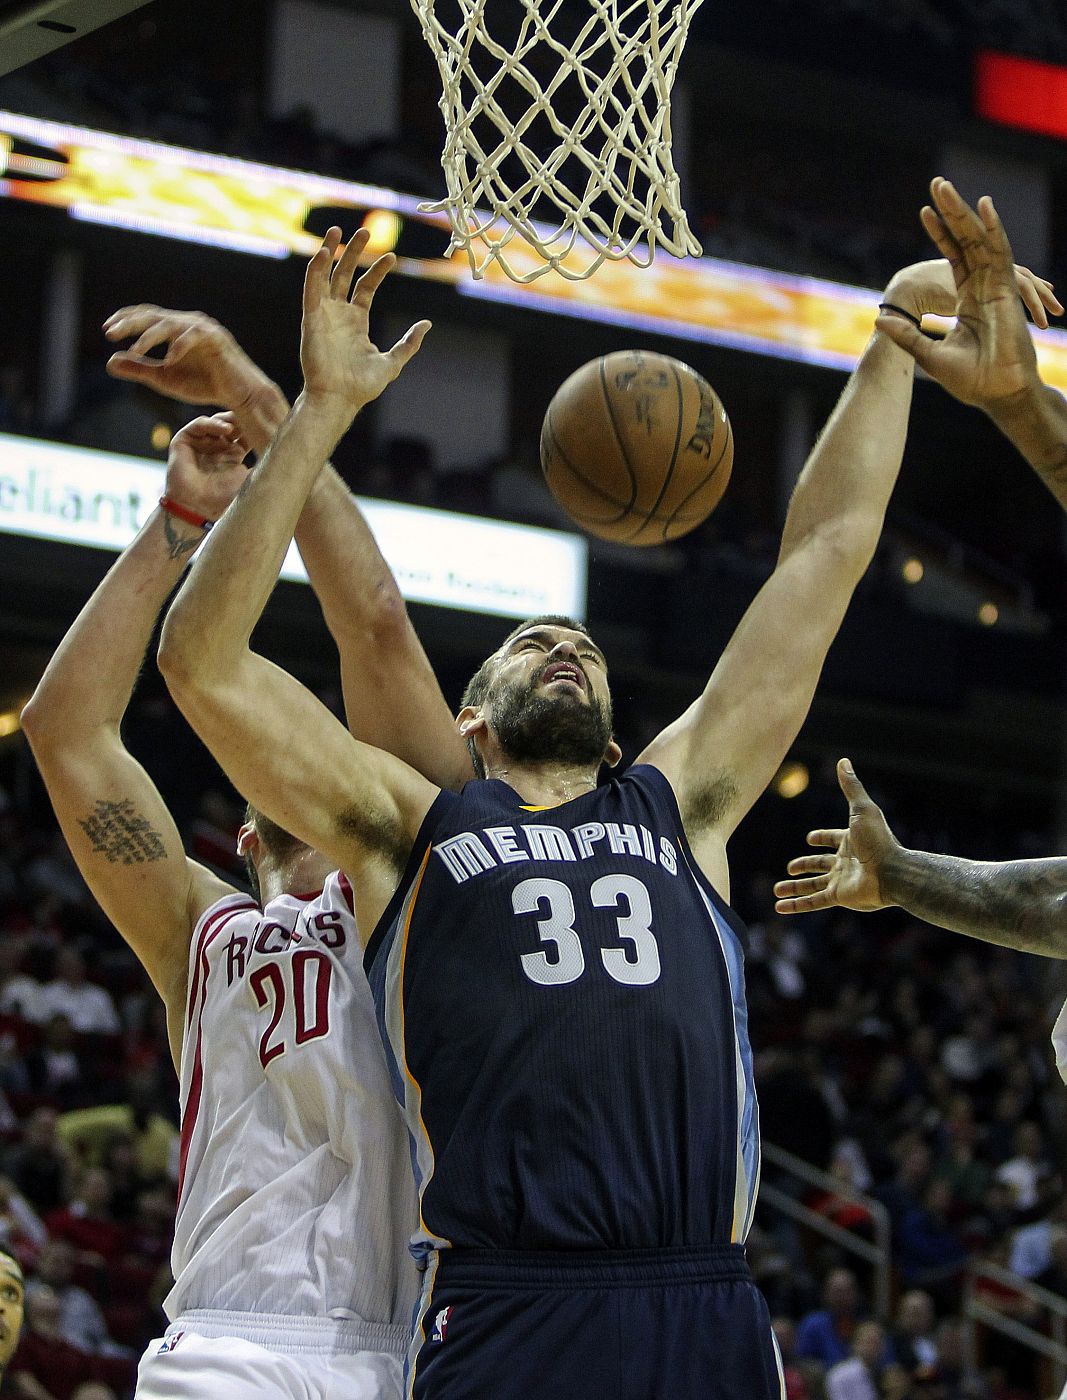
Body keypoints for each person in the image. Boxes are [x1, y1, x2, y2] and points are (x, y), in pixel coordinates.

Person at [154, 214, 1056, 1398]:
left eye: (580, 645)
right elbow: (201, 665)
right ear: (469, 723)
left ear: (620, 734)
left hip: (703, 1294)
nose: (562, 648)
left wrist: (889, 333)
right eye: (531, 646)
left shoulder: (679, 803)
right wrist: (317, 412)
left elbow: (824, 552)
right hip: (504, 1300)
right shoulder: (411, 827)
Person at [19, 256, 454, 1398]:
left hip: (404, 1347)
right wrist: (174, 523)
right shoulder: (200, 938)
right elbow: (69, 733)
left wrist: (288, 402)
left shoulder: (418, 874)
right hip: (225, 1344)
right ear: (246, 836)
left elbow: (376, 619)